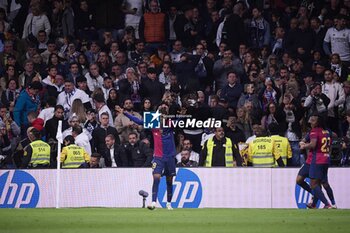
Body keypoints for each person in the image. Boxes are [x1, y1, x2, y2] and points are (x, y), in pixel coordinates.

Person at [116, 103, 176, 210]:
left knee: (169, 180)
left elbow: (183, 122)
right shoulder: (153, 123)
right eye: (160, 115)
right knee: (156, 178)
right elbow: (138, 121)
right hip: (158, 157)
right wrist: (125, 113)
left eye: (164, 115)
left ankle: (169, 203)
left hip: (170, 157)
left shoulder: (170, 124)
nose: (162, 118)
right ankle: (153, 202)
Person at [298, 114, 336, 209]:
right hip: (321, 159)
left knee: (316, 183)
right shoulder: (327, 131)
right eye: (310, 120)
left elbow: (313, 144)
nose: (310, 122)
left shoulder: (315, 131)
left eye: (313, 120)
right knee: (300, 180)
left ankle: (328, 204)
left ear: (318, 122)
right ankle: (320, 202)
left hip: (317, 160)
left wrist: (304, 146)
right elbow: (333, 138)